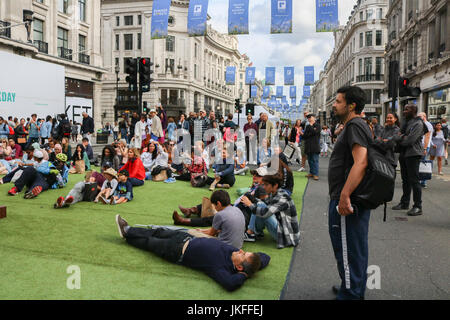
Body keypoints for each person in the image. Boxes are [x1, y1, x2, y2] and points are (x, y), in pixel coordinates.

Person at [115, 214, 269, 292]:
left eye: (243, 255)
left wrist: (244, 276)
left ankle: (127, 234)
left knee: (151, 242)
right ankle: (129, 231)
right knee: (158, 231)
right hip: (185, 238)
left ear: (240, 268)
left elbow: (230, 284)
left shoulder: (220, 269)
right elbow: (265, 257)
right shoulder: (239, 256)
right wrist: (255, 265)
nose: (240, 250)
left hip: (176, 251)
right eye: (244, 252)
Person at [328, 86, 374, 300]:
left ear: (351, 105)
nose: (334, 105)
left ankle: (351, 294)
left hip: (347, 199)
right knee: (352, 248)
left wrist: (345, 195)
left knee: (349, 250)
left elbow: (361, 162)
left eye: (338, 101)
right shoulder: (353, 125)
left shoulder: (355, 125)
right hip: (347, 197)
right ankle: (351, 286)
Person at [240, 174, 300, 248]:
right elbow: (265, 202)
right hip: (282, 227)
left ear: (275, 185)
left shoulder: (282, 197)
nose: (264, 187)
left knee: (260, 206)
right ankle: (255, 232)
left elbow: (265, 212)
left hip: (287, 237)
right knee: (259, 204)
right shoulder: (275, 193)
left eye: (266, 185)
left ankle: (250, 233)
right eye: (263, 184)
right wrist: (251, 198)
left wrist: (249, 204)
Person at [392, 104, 427, 216]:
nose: (404, 111)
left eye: (407, 109)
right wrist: (402, 137)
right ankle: (404, 202)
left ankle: (418, 206)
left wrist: (401, 137)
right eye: (404, 108)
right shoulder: (406, 123)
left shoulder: (418, 123)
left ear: (413, 111)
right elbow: (395, 136)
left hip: (413, 154)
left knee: (414, 181)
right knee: (405, 180)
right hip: (404, 153)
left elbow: (410, 141)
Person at [302, 114, 321, 181]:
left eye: (310, 117)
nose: (309, 119)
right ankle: (311, 172)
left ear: (314, 118)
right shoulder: (307, 126)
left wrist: (311, 127)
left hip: (315, 145)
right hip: (308, 145)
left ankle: (316, 174)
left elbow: (315, 132)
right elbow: (304, 136)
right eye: (308, 118)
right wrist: (311, 130)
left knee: (315, 160)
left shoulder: (318, 125)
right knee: (310, 160)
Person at [418, 112, 434, 188]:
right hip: (421, 146)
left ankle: (423, 182)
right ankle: (421, 181)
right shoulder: (422, 124)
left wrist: (425, 148)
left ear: (424, 116)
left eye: (419, 116)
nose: (418, 117)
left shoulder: (427, 124)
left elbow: (427, 137)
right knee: (421, 163)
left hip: (424, 146)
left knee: (423, 163)